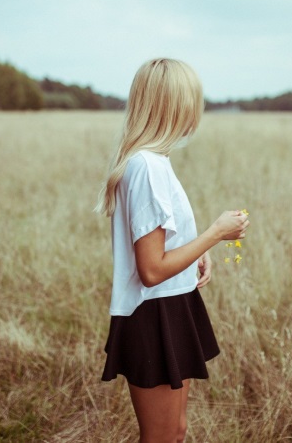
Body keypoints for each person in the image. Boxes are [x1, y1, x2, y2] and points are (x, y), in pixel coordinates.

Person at [95, 58, 250, 442]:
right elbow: (150, 270)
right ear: (173, 106)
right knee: (162, 437)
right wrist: (215, 233)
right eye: (192, 100)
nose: (197, 110)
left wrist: (196, 251)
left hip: (174, 304)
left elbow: (163, 243)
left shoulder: (156, 161)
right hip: (154, 314)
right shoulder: (145, 167)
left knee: (176, 432)